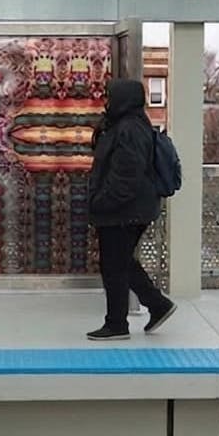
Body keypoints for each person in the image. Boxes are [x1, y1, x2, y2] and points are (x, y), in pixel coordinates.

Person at [85, 78, 177, 341]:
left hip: (124, 210)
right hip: (130, 208)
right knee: (121, 261)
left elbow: (127, 176)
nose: (107, 101)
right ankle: (157, 305)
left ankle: (117, 324)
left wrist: (101, 202)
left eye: (110, 96)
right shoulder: (126, 124)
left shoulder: (130, 129)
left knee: (114, 266)